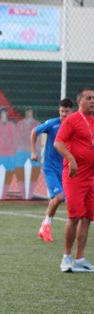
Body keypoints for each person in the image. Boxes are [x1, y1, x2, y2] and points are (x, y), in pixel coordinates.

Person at [55, 88, 94, 272]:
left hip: (91, 177)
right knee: (75, 216)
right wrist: (71, 160)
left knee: (87, 217)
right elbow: (58, 142)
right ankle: (66, 257)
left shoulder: (92, 122)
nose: (92, 101)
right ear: (80, 101)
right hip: (74, 176)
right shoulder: (71, 119)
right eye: (89, 98)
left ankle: (80, 258)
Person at [30, 98, 73, 242]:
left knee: (61, 199)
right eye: (62, 111)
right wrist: (33, 152)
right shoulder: (53, 124)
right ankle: (46, 225)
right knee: (59, 197)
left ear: (71, 111)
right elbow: (34, 132)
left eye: (66, 112)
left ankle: (45, 226)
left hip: (65, 169)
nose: (64, 114)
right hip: (50, 168)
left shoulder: (74, 126)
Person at [14, 107, 40, 199]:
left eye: (30, 112)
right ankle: (23, 193)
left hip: (32, 151)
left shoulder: (37, 124)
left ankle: (30, 193)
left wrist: (37, 151)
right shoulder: (19, 124)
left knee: (34, 172)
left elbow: (39, 139)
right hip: (21, 151)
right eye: (27, 112)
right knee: (20, 172)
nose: (29, 113)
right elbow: (16, 138)